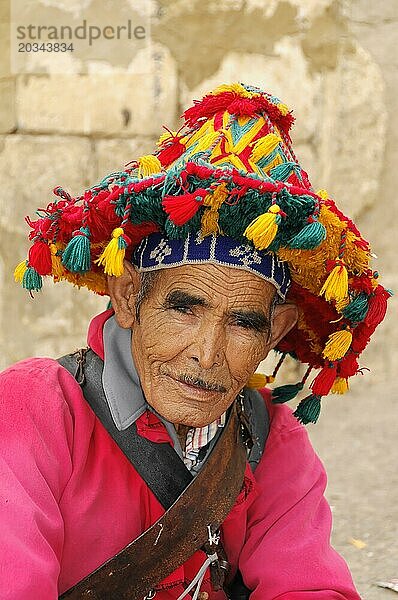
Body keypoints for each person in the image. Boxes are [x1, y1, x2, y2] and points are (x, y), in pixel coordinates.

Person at [1, 82, 389, 599]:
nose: (207, 354)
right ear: (128, 295)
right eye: (185, 309)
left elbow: (311, 587)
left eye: (244, 323)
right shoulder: (35, 407)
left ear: (275, 332)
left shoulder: (268, 435)